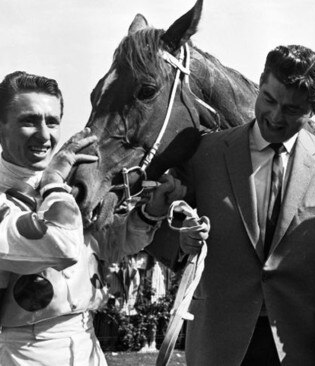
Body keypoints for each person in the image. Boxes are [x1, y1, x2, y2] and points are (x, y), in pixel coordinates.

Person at [149, 44, 315, 366]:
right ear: (260, 83)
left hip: (304, 351)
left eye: (291, 110)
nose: (274, 116)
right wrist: (183, 239)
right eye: (268, 99)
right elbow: (162, 238)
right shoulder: (204, 154)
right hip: (219, 350)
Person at [0, 71, 192, 366]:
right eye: (29, 120)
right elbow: (61, 246)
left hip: (86, 341)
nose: (44, 134)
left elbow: (109, 245)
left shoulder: (68, 182)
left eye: (52, 121)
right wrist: (53, 181)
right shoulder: (53, 185)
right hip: (24, 350)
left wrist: (150, 212)